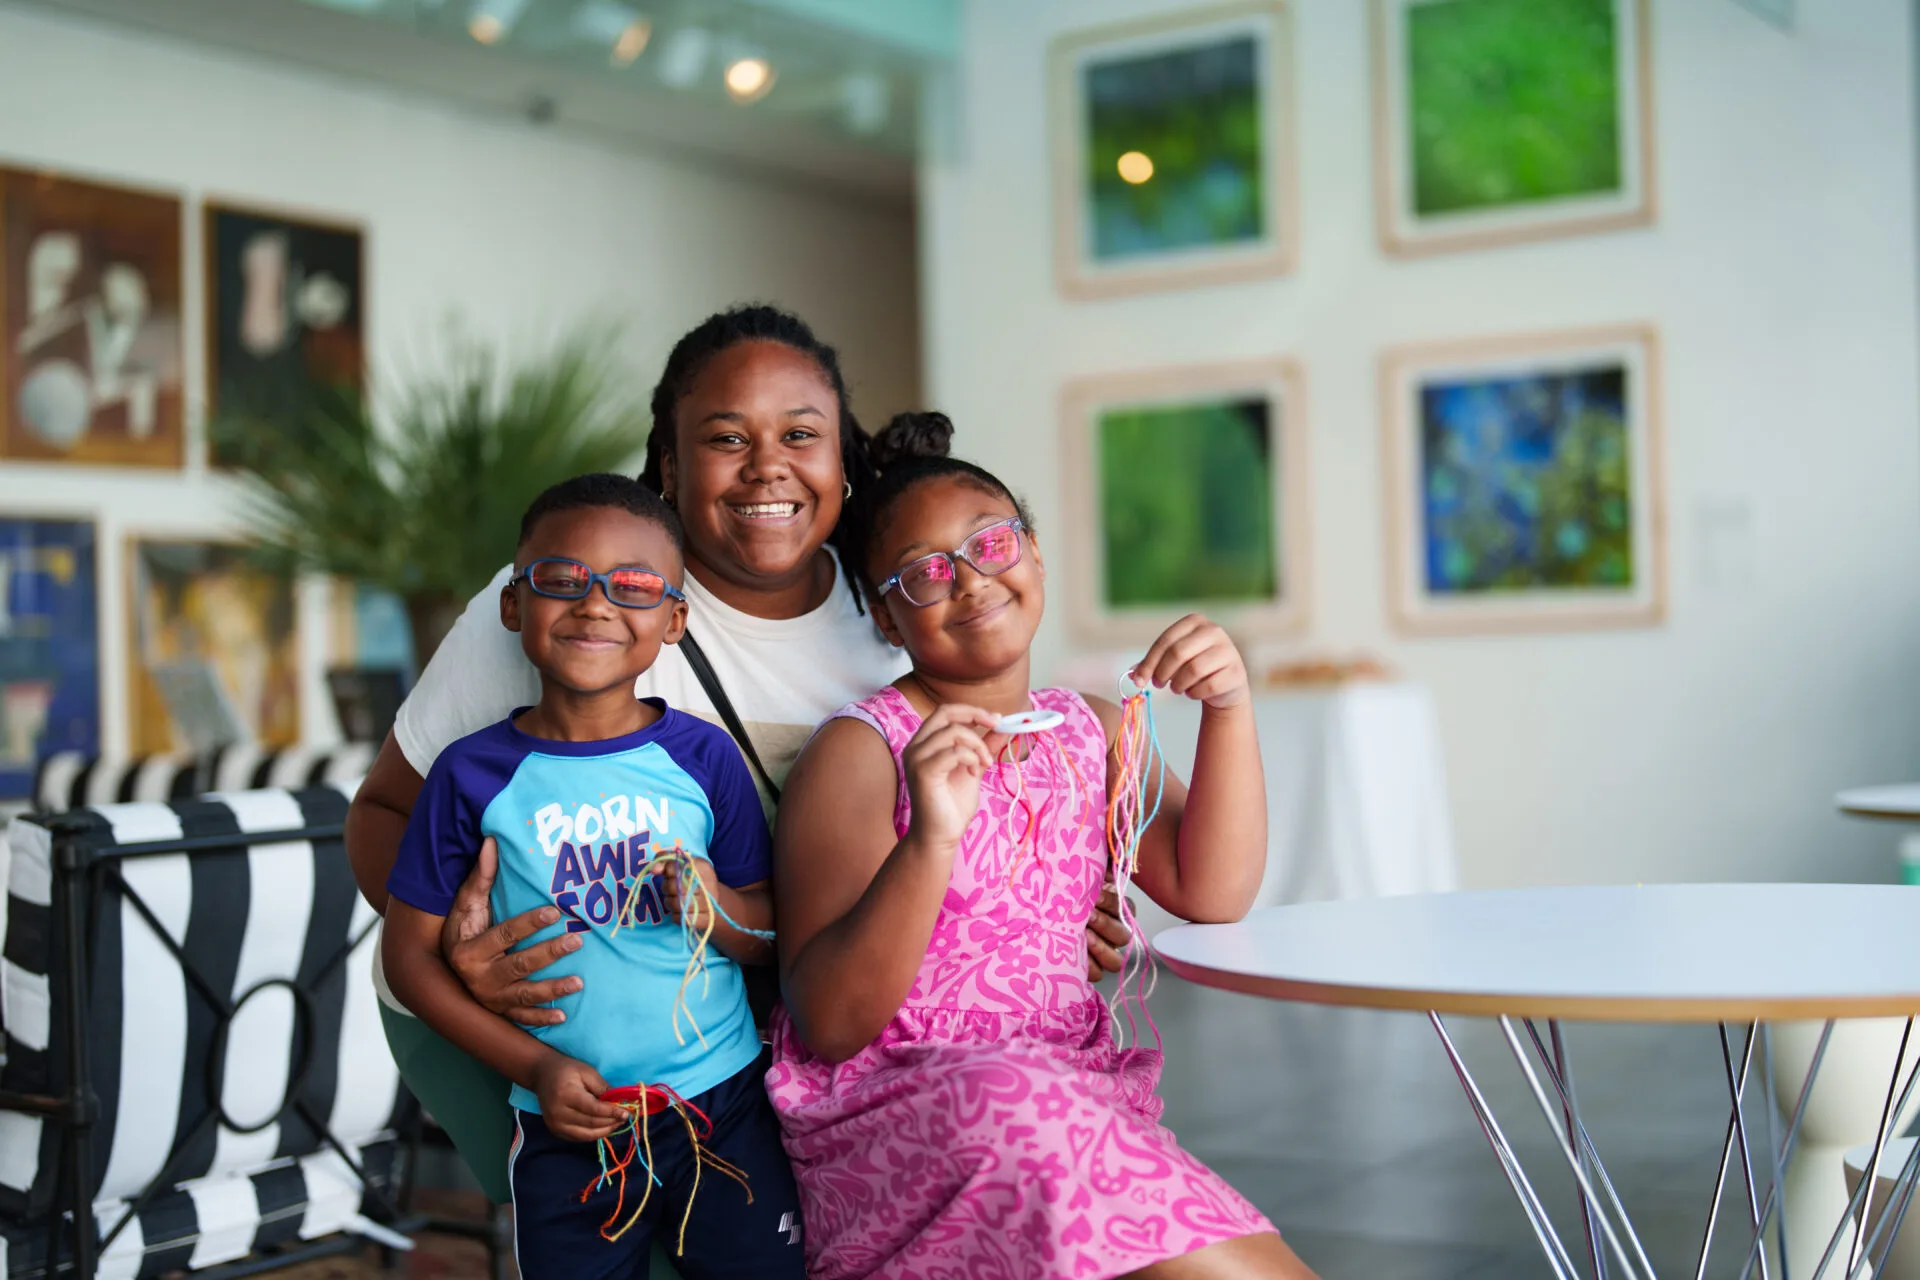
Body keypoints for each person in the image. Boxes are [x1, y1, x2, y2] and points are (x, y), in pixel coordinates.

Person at [344, 305, 1134, 1209]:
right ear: (672, 468)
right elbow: (380, 813)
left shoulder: (897, 617)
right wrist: (457, 956)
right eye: (726, 438)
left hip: (746, 1045)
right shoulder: (572, 598)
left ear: (843, 462)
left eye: (802, 434)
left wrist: (1045, 916)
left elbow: (964, 842)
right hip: (533, 1030)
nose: (768, 466)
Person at [769, 414, 1320, 1279]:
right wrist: (932, 840)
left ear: (1035, 553)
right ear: (884, 616)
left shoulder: (1088, 731)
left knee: (1065, 1128)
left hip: (1061, 1088)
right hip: (908, 1105)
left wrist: (1229, 708)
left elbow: (1211, 889)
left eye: (992, 543)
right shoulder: (863, 751)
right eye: (926, 573)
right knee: (1027, 1106)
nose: (972, 580)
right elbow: (831, 1026)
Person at [382, 474, 803, 1277]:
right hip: (562, 1127)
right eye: (562, 580)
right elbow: (410, 960)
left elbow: (773, 928)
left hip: (724, 1105)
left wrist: (719, 910)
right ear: (514, 604)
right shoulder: (469, 776)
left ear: (674, 619)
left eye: (635, 586)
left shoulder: (702, 759)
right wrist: (533, 1067)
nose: (596, 604)